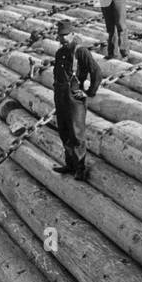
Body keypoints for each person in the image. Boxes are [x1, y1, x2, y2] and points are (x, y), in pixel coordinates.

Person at [52, 20, 101, 181]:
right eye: (60, 36)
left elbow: (96, 72)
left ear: (72, 34)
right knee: (64, 130)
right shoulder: (59, 53)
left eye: (65, 35)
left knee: (76, 133)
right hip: (60, 94)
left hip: (74, 96)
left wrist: (88, 93)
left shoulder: (81, 52)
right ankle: (70, 164)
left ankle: (81, 168)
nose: (63, 38)